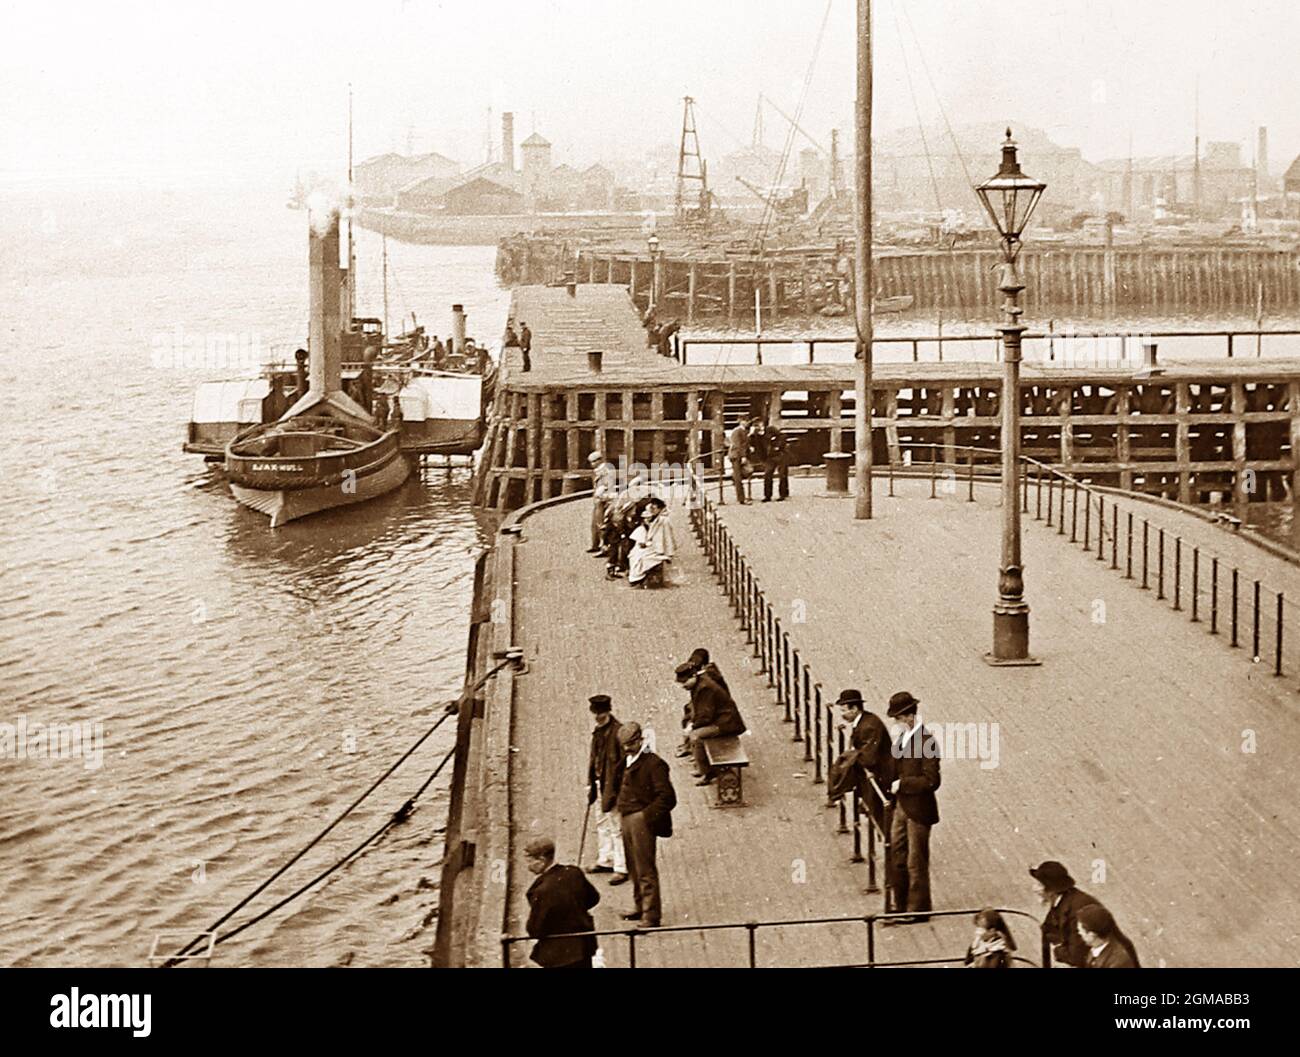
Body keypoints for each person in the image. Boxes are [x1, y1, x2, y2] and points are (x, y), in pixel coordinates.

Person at [885, 691, 940, 922]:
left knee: (915, 861)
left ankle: (918, 909)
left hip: (918, 810)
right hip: (902, 806)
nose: (896, 723)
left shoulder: (927, 742)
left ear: (908, 717)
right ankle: (901, 903)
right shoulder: (903, 739)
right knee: (897, 854)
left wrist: (902, 784)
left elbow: (931, 781)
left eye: (898, 719)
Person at [616, 722, 676, 929]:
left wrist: (645, 816)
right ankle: (640, 905)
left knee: (645, 869)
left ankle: (651, 915)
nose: (626, 749)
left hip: (640, 820)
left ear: (640, 740)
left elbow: (667, 797)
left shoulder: (654, 763)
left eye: (630, 744)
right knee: (633, 865)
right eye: (624, 745)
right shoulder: (628, 760)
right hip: (626, 816)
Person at [524, 836, 600, 968]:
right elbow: (594, 898)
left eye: (529, 861)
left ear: (542, 860)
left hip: (558, 955)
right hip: (584, 946)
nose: (528, 866)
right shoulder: (573, 872)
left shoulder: (542, 891)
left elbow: (535, 929)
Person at [827, 689, 893, 831]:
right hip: (878, 774)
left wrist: (851, 757)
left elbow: (868, 758)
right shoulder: (866, 721)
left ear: (855, 709)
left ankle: (891, 847)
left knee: (879, 814)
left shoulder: (868, 726)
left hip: (880, 776)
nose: (842, 715)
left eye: (844, 711)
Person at [677, 661, 746, 785]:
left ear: (693, 677)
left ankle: (707, 772)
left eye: (684, 681)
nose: (683, 685)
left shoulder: (705, 688)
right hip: (720, 719)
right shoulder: (700, 683)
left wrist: (692, 726)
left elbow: (705, 716)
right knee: (695, 734)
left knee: (696, 737)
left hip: (726, 723)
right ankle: (703, 767)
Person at [586, 695, 628, 885]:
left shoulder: (618, 733)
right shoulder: (598, 732)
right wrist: (590, 783)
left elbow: (622, 766)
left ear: (608, 711)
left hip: (613, 788)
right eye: (595, 713)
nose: (597, 717)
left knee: (617, 827)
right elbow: (593, 759)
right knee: (602, 823)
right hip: (598, 784)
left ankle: (621, 867)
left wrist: (618, 792)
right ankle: (606, 859)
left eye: (601, 713)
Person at [1030, 860, 1101, 968]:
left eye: (1039, 885)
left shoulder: (1077, 909)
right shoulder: (1064, 899)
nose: (1034, 889)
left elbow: (1075, 957)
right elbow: (1048, 927)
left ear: (1051, 890)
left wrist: (1058, 949)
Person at [627, 496, 675, 588]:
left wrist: (669, 552)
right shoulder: (655, 518)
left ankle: (638, 578)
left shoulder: (664, 520)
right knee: (634, 554)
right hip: (653, 545)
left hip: (659, 548)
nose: (652, 510)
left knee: (642, 557)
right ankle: (635, 578)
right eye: (651, 507)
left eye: (654, 508)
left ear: (659, 508)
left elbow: (668, 537)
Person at [1076, 903, 1140, 968]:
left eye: (1080, 930)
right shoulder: (1098, 948)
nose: (1079, 933)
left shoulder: (1118, 962)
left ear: (1092, 934)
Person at [588, 451, 617, 555]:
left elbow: (610, 487)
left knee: (602, 525)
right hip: (598, 501)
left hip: (603, 501)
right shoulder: (598, 472)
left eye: (594, 461)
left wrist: (605, 497)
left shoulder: (606, 472)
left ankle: (604, 547)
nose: (592, 464)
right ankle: (595, 545)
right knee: (595, 524)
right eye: (591, 462)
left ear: (600, 460)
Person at [761, 423, 789, 502]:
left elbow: (779, 445)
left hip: (780, 456)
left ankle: (782, 494)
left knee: (782, 475)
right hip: (771, 457)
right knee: (768, 475)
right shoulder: (765, 438)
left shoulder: (781, 437)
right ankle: (768, 495)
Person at [728, 418, 750, 504]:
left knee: (741, 474)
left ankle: (741, 496)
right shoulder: (738, 431)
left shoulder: (743, 431)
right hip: (736, 455)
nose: (746, 422)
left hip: (738, 454)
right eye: (745, 421)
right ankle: (741, 498)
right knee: (738, 477)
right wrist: (743, 456)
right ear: (741, 422)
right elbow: (738, 445)